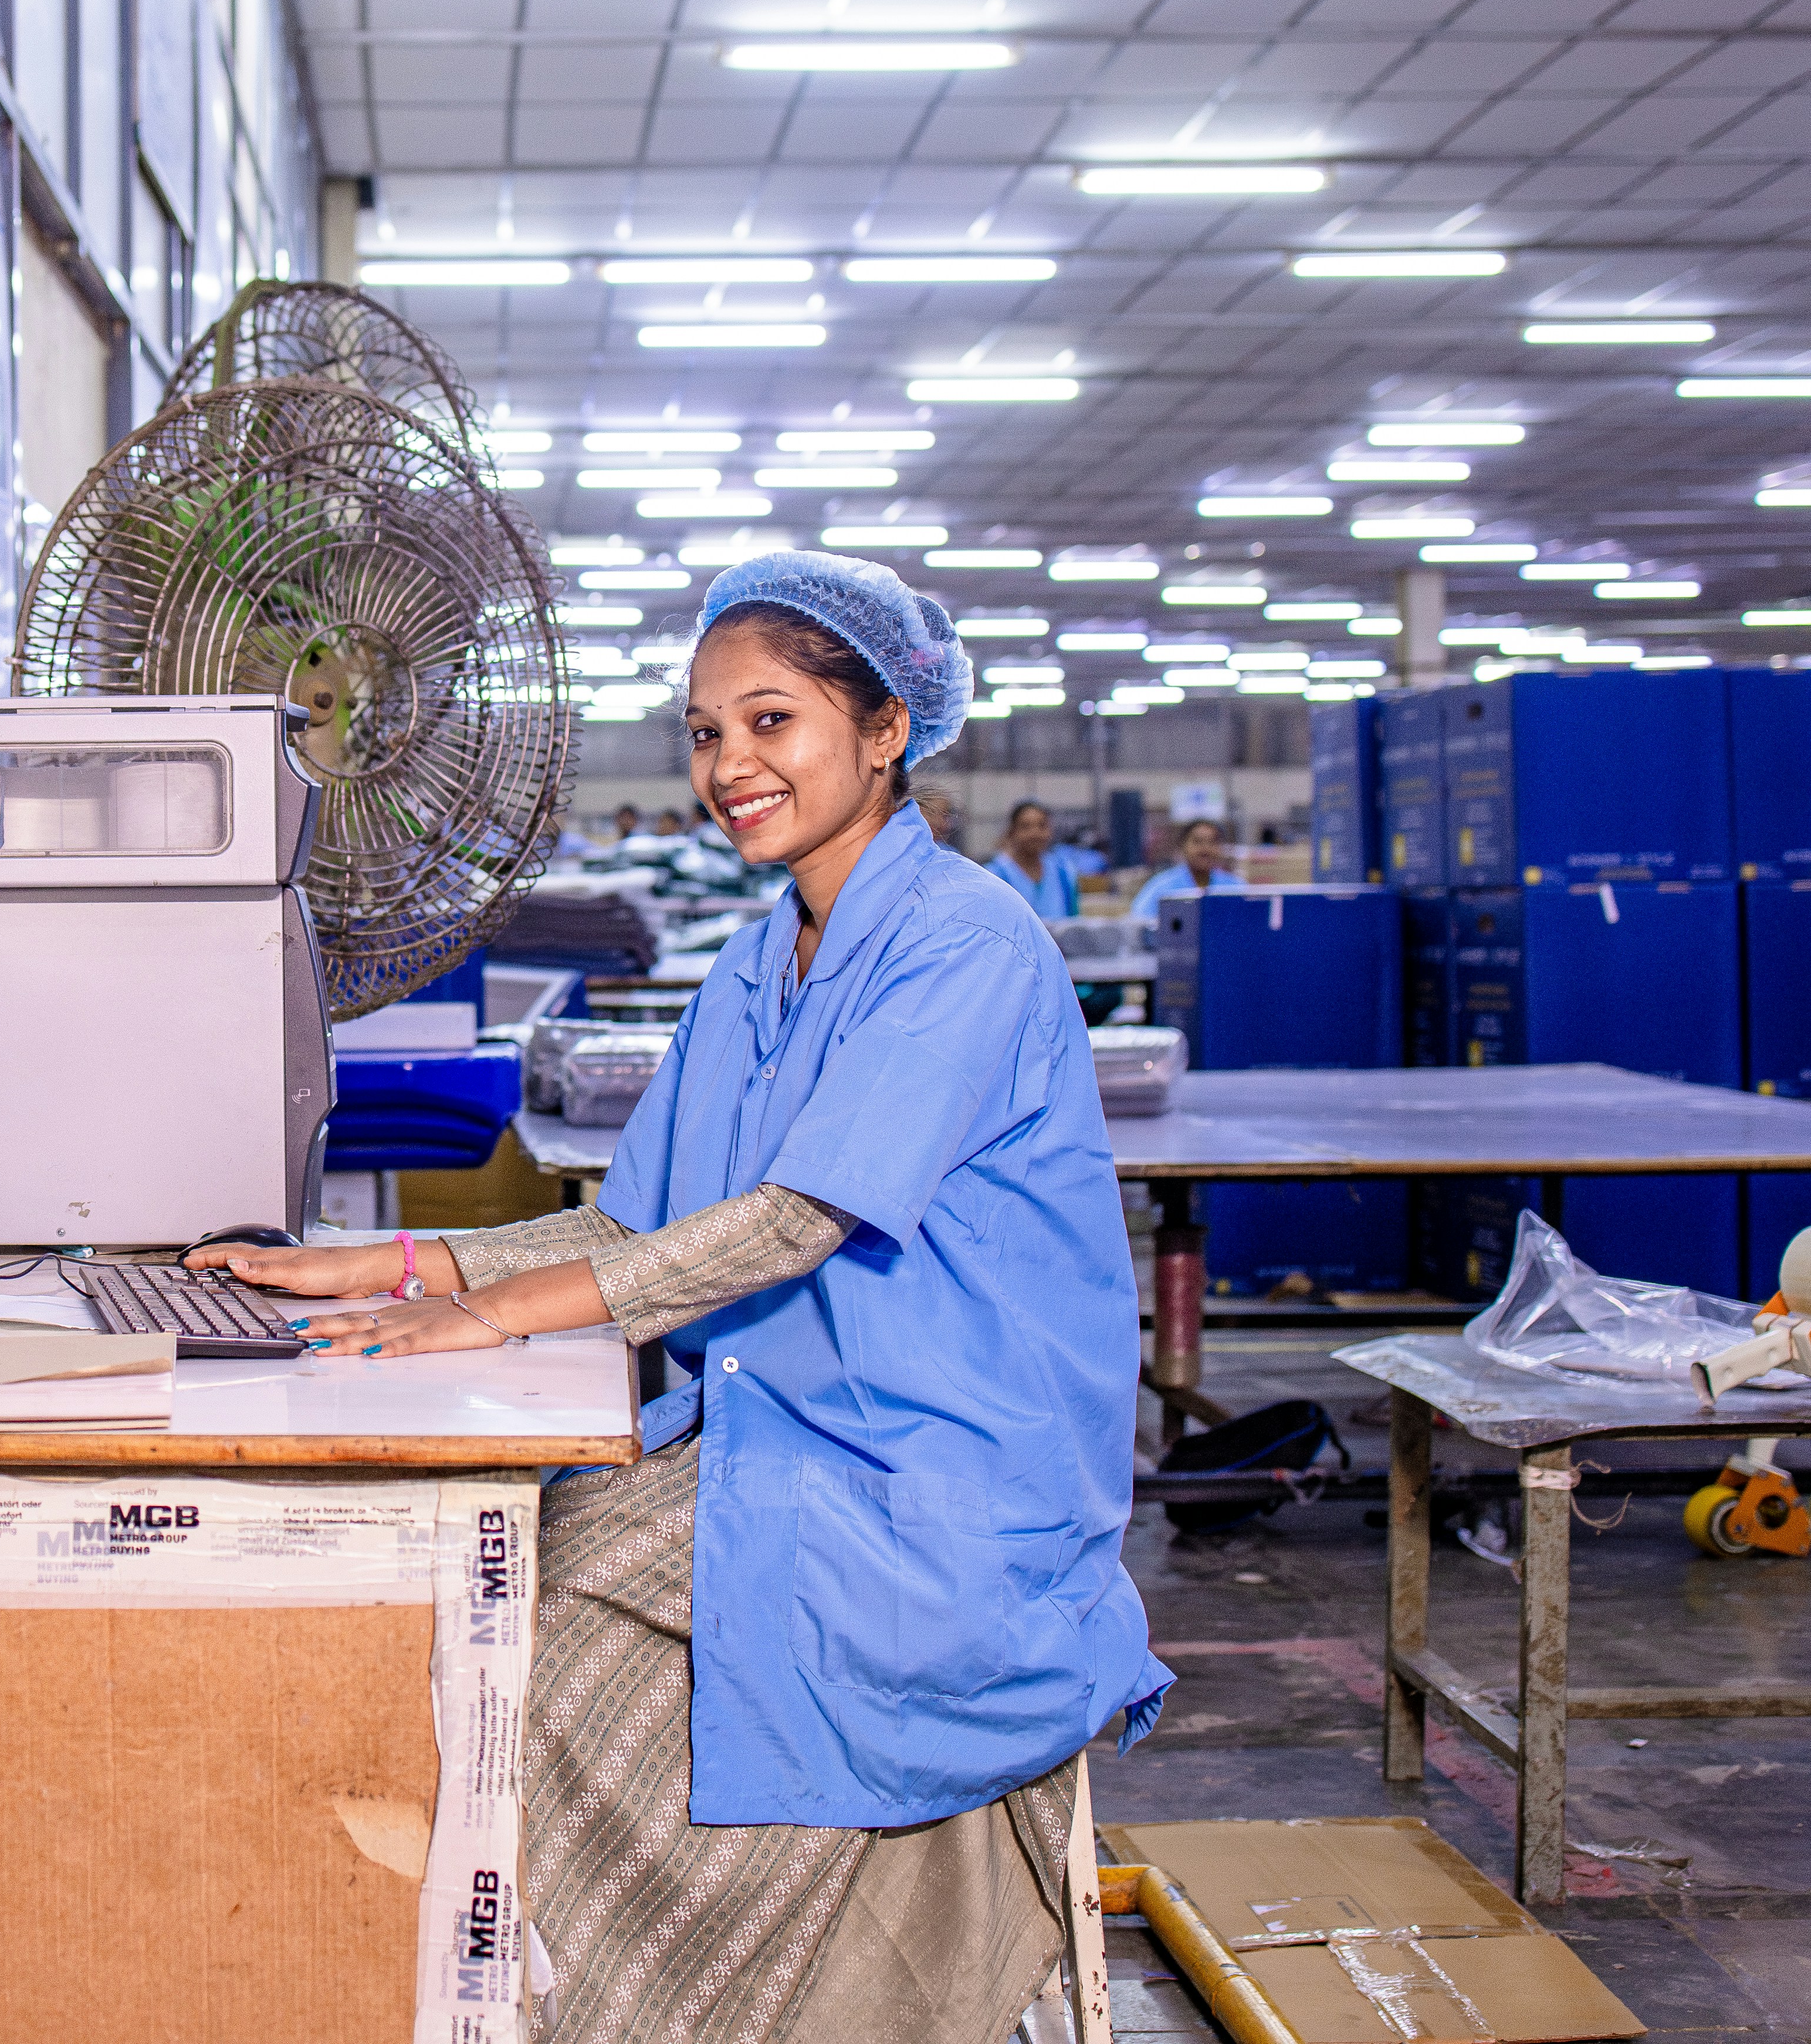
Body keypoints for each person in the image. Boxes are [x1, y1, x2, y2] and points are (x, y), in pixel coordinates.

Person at [187, 550, 1166, 2044]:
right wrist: (390, 1263)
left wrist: (496, 1314)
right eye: (709, 733)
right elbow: (642, 1221)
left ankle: (645, 1999)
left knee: (533, 1639)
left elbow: (791, 1220)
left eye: (772, 722)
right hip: (803, 1440)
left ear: (886, 726)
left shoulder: (963, 944)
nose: (732, 767)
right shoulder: (763, 960)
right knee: (496, 1568)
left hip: (938, 1481)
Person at [1129, 816, 1246, 918]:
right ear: (1183, 846)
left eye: (1213, 842)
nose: (1206, 849)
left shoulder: (1235, 887)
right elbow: (1139, 922)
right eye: (1197, 842)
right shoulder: (1161, 887)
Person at [986, 797, 1078, 920]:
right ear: (1012, 832)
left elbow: (1074, 922)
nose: (1035, 834)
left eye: (1042, 826)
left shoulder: (1064, 873)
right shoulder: (995, 876)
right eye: (1025, 827)